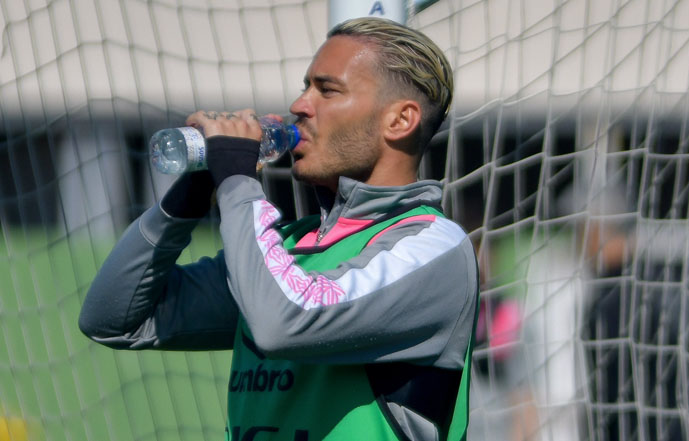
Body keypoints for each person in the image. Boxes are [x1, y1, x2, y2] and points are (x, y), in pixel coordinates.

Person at [79, 17, 480, 441]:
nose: (300, 105)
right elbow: (113, 320)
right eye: (305, 87)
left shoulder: (434, 247)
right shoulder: (285, 247)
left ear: (400, 120)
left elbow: (283, 322)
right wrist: (186, 199)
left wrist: (238, 183)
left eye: (327, 90)